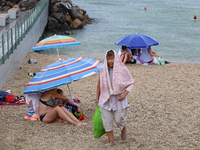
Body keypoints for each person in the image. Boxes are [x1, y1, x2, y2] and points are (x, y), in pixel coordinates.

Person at [95, 50, 134, 147]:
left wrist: (125, 94)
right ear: (106, 59)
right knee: (106, 121)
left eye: (112, 59)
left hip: (119, 98)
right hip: (105, 98)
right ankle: (111, 141)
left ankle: (123, 128)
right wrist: (97, 97)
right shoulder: (103, 69)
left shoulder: (122, 69)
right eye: (108, 59)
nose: (110, 61)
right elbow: (99, 83)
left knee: (118, 119)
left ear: (115, 58)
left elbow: (131, 82)